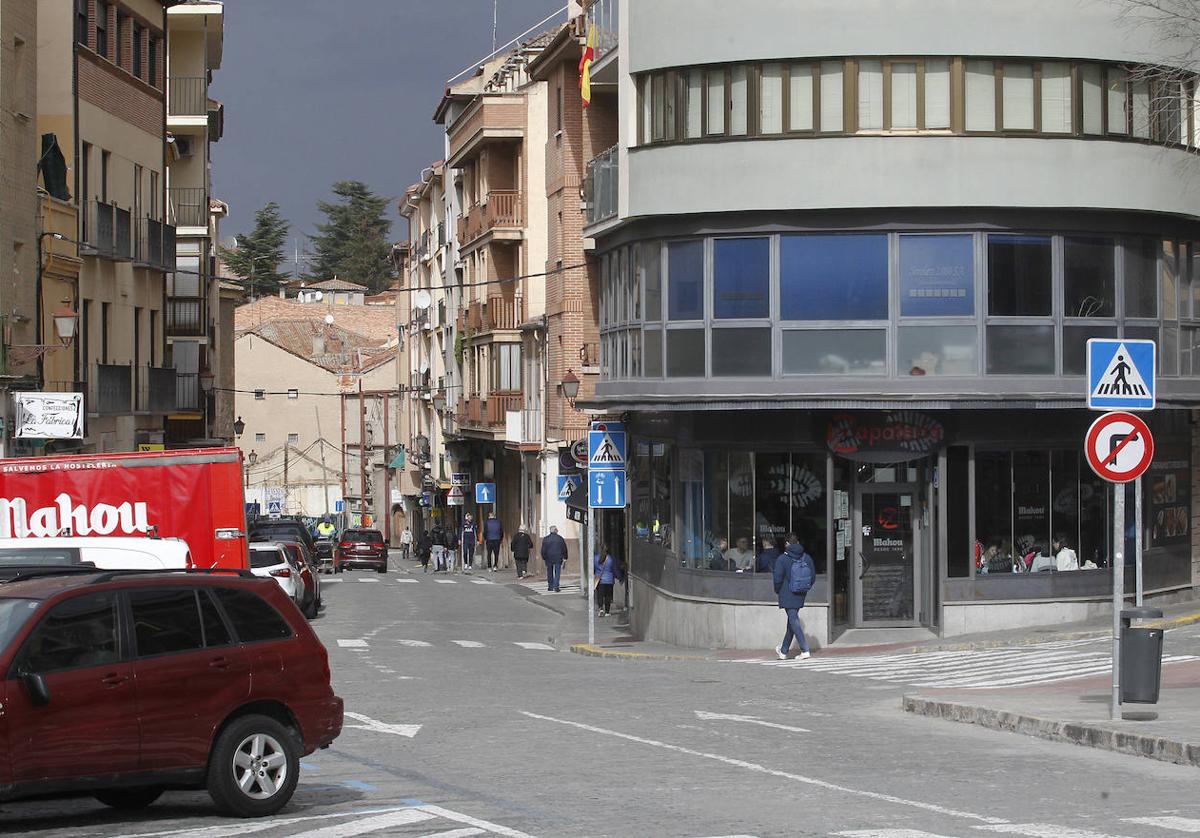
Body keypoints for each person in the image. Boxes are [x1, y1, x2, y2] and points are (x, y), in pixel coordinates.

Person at [773, 533, 813, 660]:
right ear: (798, 542)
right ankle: (784, 651)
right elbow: (812, 577)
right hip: (801, 592)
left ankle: (805, 649)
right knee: (792, 621)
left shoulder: (782, 559)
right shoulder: (806, 557)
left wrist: (778, 590)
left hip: (787, 592)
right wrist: (804, 587)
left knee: (793, 620)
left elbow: (777, 579)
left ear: (786, 544)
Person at [594, 546, 624, 617]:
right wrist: (620, 578)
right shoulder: (611, 559)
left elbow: (594, 568)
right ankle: (607, 612)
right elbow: (615, 570)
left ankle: (601, 609)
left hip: (600, 580)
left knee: (600, 595)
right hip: (609, 580)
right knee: (608, 596)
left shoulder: (596, 558)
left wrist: (596, 574)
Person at [541, 525, 568, 592]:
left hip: (548, 557)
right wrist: (565, 557)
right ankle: (556, 586)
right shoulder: (560, 538)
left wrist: (544, 557)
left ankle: (550, 586)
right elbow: (564, 549)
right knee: (557, 572)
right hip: (558, 557)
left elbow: (543, 550)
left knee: (549, 572)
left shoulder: (546, 539)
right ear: (555, 530)